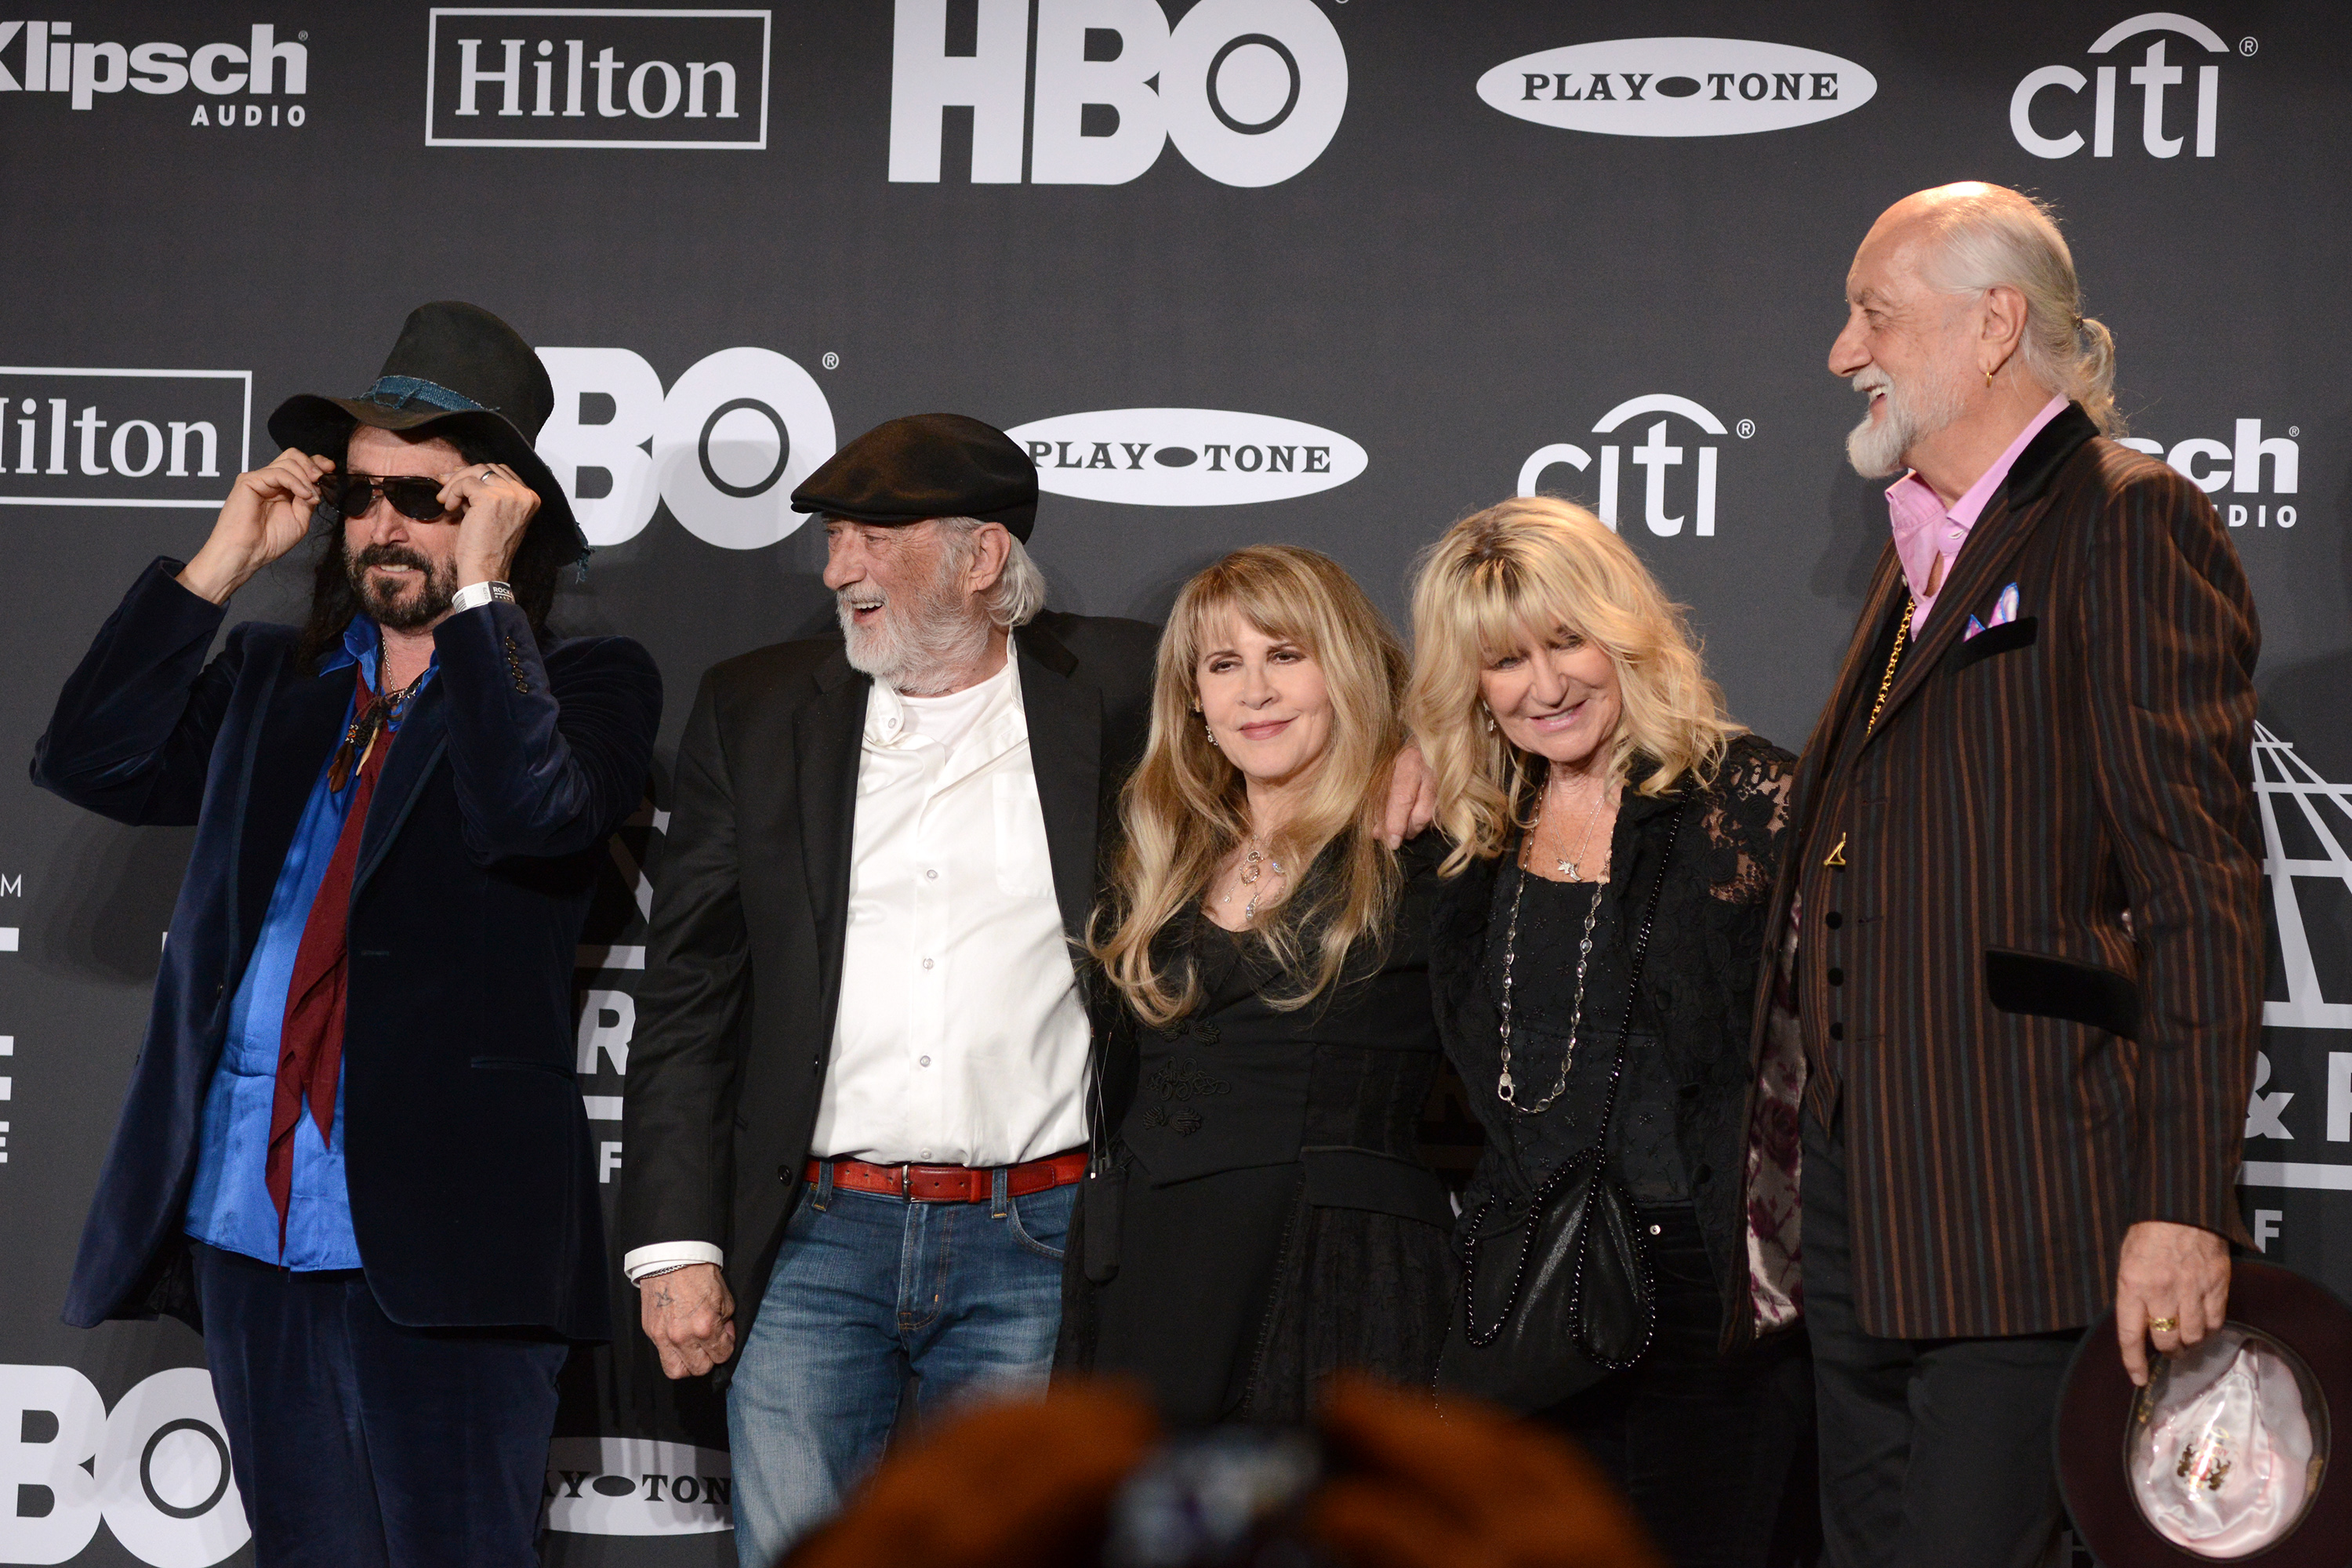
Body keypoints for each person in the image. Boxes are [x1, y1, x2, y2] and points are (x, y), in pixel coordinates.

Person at [616, 415, 1442, 1562]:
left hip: (1043, 1244)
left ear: (982, 557)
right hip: (812, 1237)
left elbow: (1296, 703)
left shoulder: (1115, 684)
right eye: (834, 539)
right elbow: (691, 995)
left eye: (871, 539)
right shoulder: (753, 709)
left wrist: (1415, 747)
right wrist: (674, 1248)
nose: (838, 567)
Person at [31, 301, 662, 1566]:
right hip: (251, 1219)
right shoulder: (272, 681)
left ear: (501, 506)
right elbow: (90, 759)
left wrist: (482, 596)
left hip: (449, 1234)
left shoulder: (592, 683)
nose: (381, 524)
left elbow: (532, 815)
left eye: (427, 499)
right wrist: (220, 562)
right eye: (364, 494)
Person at [1751, 182, 2263, 1566]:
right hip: (1864, 1226)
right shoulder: (1918, 548)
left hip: (2025, 1214)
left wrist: (2177, 1203)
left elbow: (2200, 893)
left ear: (1993, 326)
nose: (1843, 354)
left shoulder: (2125, 519)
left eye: (1872, 314)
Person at [1406, 495, 1809, 1567]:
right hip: (1521, 1288)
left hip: (1705, 1295)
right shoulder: (1466, 831)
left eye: (1567, 641)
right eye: (1503, 662)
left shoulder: (1748, 797)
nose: (1544, 686)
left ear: (1623, 629)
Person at [1056, 546, 1453, 1422]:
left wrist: (1430, 749)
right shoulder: (1156, 855)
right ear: (1194, 699)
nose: (1255, 692)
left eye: (1286, 655)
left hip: (1336, 1277)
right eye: (1224, 664)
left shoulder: (1423, 848)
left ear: (1344, 669)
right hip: (1146, 1276)